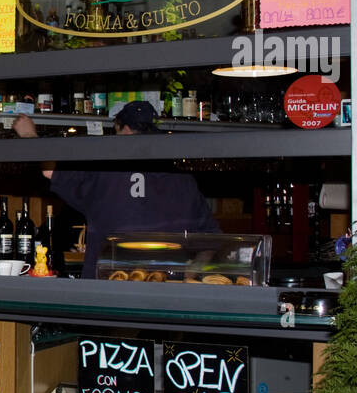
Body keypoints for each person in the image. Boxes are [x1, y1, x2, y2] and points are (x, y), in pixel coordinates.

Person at [13, 101, 221, 278]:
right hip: (164, 294)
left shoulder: (107, 173)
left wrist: (29, 134)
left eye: (116, 131)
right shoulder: (183, 181)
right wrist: (190, 274)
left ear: (126, 131)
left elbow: (50, 171)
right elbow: (212, 241)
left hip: (108, 293)